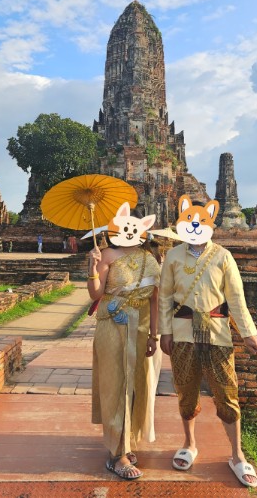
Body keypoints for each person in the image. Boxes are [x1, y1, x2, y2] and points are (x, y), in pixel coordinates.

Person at [158, 195, 257, 488]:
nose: (194, 226)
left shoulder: (222, 256)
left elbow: (236, 298)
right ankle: (190, 444)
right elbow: (165, 297)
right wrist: (164, 331)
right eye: (189, 220)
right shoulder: (173, 257)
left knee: (227, 392)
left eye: (200, 221)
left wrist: (248, 332)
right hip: (182, 333)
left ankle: (237, 455)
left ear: (210, 222)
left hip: (217, 333)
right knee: (186, 390)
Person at [87, 202, 160, 480]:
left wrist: (155, 335)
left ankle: (127, 442)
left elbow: (155, 300)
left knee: (136, 385)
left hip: (140, 328)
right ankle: (117, 454)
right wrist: (93, 267)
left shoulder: (149, 259)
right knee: (115, 384)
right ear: (117, 225)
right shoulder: (106, 254)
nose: (129, 231)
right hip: (111, 327)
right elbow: (95, 294)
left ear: (143, 230)